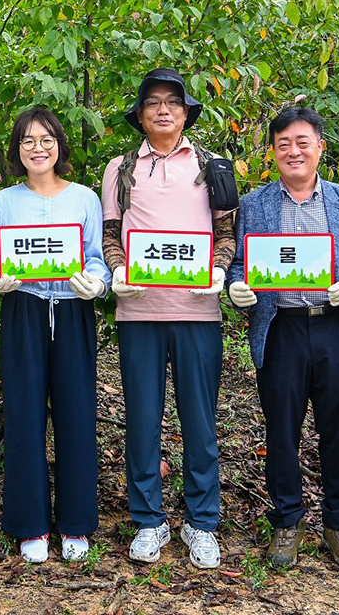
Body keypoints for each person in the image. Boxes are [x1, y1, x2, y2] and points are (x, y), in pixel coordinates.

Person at [227, 107, 339, 568]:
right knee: (281, 430)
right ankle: (286, 522)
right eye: (283, 144)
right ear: (272, 152)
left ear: (320, 147)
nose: (293, 151)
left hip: (335, 327)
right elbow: (239, 264)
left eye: (302, 142)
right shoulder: (254, 205)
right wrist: (238, 288)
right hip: (281, 328)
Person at [100, 68, 234, 569]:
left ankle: (201, 522)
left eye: (172, 103)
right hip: (138, 311)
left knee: (199, 421)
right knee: (142, 419)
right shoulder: (120, 168)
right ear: (139, 115)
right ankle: (149, 519)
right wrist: (117, 270)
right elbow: (112, 232)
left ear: (186, 112)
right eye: (152, 102)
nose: (162, 110)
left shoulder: (212, 165)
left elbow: (226, 232)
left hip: (198, 311)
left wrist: (219, 271)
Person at [0, 107, 111, 563]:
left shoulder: (85, 197)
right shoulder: (4, 201)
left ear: (60, 144)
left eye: (47, 139)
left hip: (74, 309)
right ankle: (30, 524)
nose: (38, 148)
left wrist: (97, 281)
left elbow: (96, 257)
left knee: (76, 414)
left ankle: (76, 524)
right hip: (24, 309)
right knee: (24, 414)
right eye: (28, 140)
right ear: (17, 149)